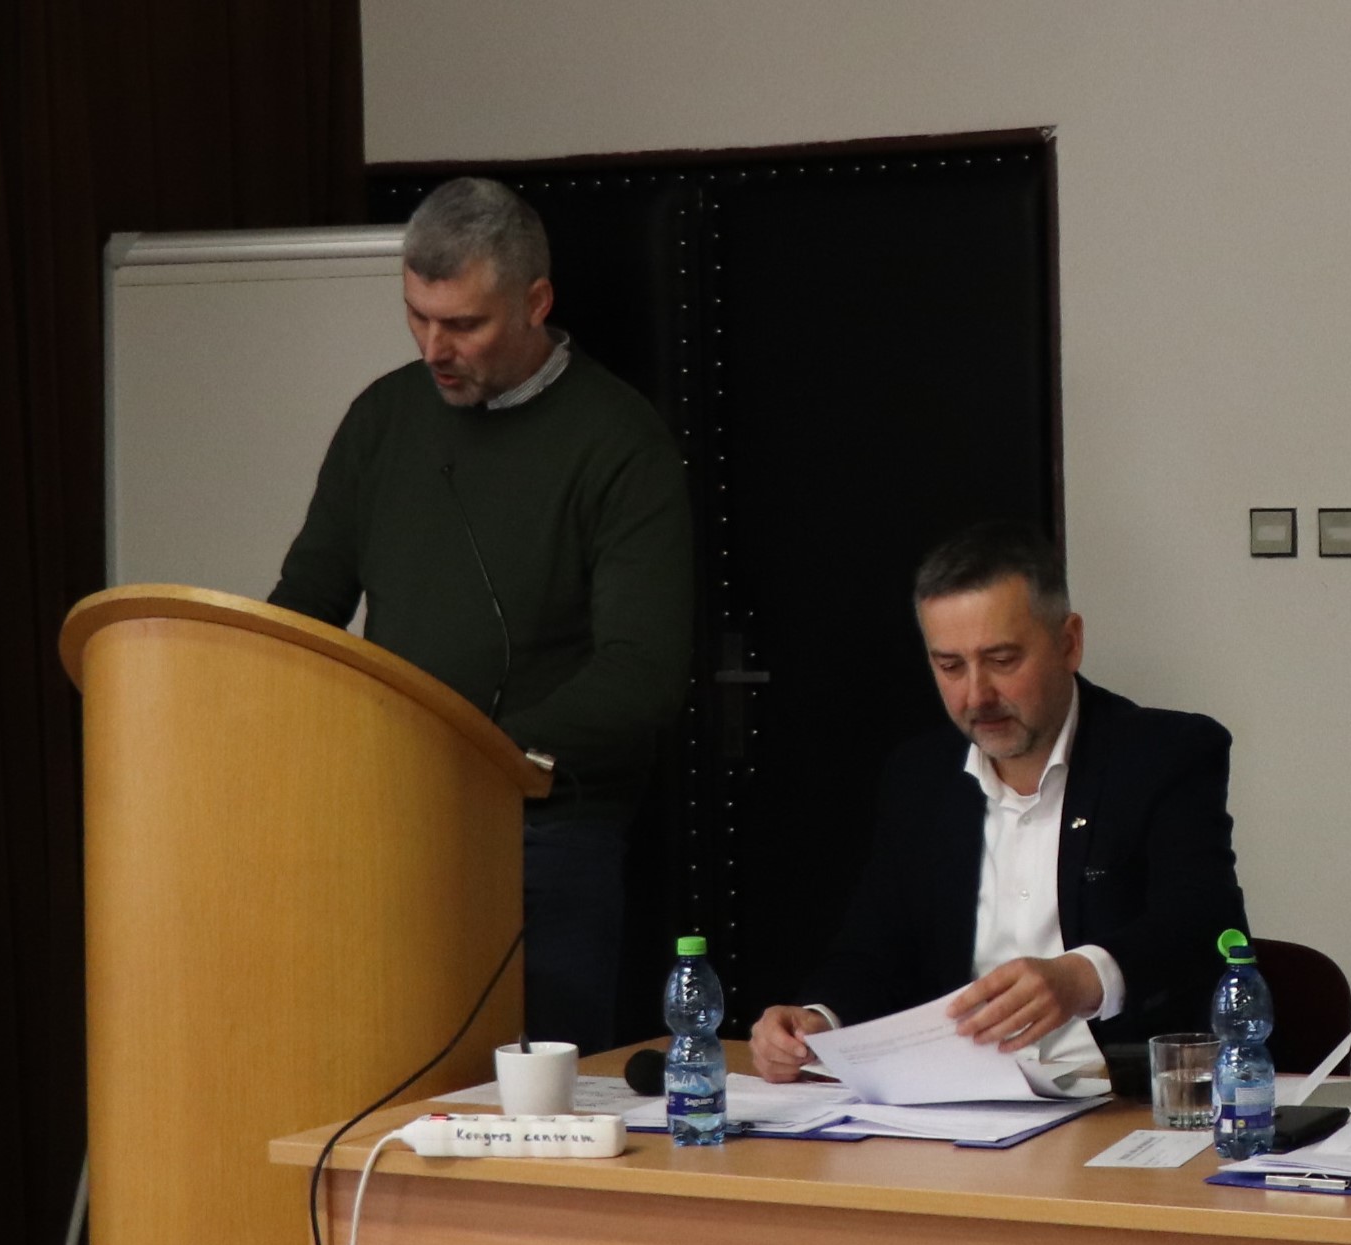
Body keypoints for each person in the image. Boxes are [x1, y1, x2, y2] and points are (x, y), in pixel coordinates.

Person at [270, 177, 692, 1054]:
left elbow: (640, 671)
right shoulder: (384, 418)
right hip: (387, 818)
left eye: (463, 324)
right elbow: (307, 604)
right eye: (417, 316)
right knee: (387, 1073)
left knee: (535, 1103)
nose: (435, 348)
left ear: (536, 302)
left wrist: (477, 753)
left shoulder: (618, 440)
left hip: (546, 836)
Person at [748, 524, 1246, 1087]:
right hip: (961, 1102)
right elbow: (875, 949)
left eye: (1003, 660)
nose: (976, 696)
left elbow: (1202, 923)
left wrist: (1082, 978)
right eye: (950, 666)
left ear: (1069, 643)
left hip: (1125, 1097)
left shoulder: (1163, 755)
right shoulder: (921, 776)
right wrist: (817, 1020)